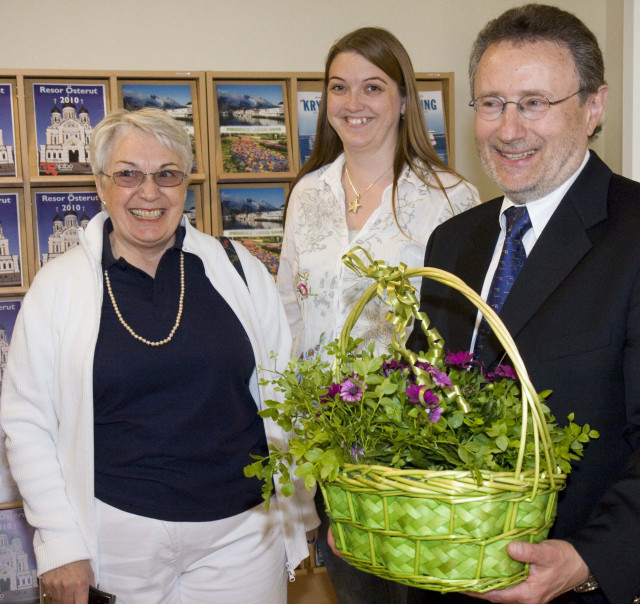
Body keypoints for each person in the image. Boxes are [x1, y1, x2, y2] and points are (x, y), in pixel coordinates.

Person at [1, 108, 318, 604]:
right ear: (101, 186)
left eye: (167, 175)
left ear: (186, 185)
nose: (149, 193)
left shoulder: (238, 270)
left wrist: (301, 506)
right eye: (128, 174)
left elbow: (284, 396)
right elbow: (26, 422)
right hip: (117, 538)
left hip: (242, 536)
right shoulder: (59, 287)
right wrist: (59, 541)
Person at [407, 4, 640, 603]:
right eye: (491, 103)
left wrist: (588, 559)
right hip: (441, 578)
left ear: (593, 108)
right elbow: (417, 396)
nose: (508, 129)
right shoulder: (452, 241)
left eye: (534, 102)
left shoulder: (635, 234)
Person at [277, 26, 478, 604]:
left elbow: (462, 333)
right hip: (329, 442)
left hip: (410, 448)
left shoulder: (448, 198)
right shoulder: (307, 193)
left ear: (403, 99)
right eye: (339, 87)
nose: (353, 103)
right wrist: (295, 439)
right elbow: (289, 310)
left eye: (373, 87)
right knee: (354, 590)